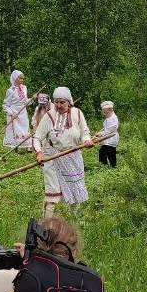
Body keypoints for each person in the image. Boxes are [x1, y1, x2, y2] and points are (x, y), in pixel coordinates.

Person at [34, 87, 94, 217]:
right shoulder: (49, 116)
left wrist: (87, 140)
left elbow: (85, 133)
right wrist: (39, 153)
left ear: (69, 102)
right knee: (53, 193)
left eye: (62, 102)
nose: (58, 105)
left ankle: (74, 218)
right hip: (52, 157)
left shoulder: (77, 114)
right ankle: (46, 223)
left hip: (73, 156)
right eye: (56, 102)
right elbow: (37, 138)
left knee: (75, 188)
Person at [2, 70, 34, 152]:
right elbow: (5, 105)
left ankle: (28, 146)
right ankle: (14, 146)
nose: (22, 80)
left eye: (23, 79)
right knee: (15, 129)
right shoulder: (10, 90)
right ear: (15, 78)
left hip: (23, 112)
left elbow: (25, 102)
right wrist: (11, 113)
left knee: (25, 128)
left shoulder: (24, 88)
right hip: (14, 113)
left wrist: (32, 99)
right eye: (20, 78)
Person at [98, 101, 119, 168]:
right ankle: (113, 166)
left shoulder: (113, 118)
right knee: (111, 153)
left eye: (105, 112)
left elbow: (110, 130)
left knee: (102, 151)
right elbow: (107, 128)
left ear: (110, 110)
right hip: (109, 138)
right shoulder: (109, 117)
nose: (104, 114)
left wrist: (101, 134)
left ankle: (104, 165)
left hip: (111, 138)